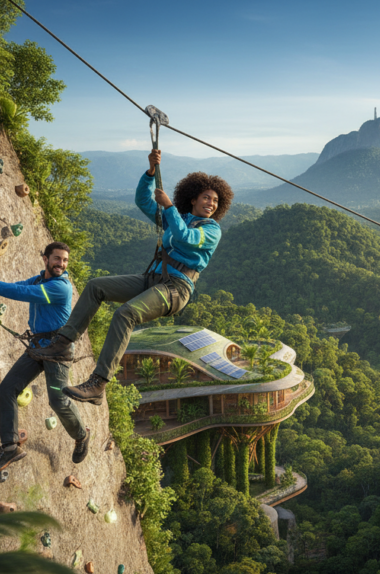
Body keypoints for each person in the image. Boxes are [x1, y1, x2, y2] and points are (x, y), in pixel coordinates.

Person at [29, 149, 232, 405]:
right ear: (193, 199)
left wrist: (169, 206)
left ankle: (98, 383)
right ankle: (63, 343)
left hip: (176, 288)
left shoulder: (211, 230)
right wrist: (150, 172)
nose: (211, 203)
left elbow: (185, 237)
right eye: (206, 197)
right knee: (96, 287)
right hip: (153, 279)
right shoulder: (178, 218)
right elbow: (143, 201)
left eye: (215, 200)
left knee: (125, 314)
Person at [0, 242, 89, 475]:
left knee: (57, 401)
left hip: (58, 351)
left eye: (65, 260)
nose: (61, 264)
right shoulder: (39, 280)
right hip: (38, 348)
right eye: (57, 258)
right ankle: (10, 448)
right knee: (6, 390)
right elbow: (14, 287)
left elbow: (20, 293)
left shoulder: (61, 287)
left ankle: (81, 435)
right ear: (46, 259)